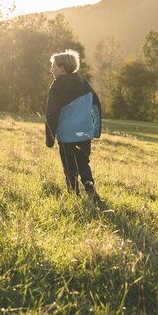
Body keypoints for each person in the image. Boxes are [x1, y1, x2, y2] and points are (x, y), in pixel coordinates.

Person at [45, 49, 102, 202]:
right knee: (83, 163)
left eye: (54, 66)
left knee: (70, 169)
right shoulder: (84, 84)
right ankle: (91, 190)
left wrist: (49, 138)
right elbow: (96, 107)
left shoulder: (56, 86)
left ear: (62, 68)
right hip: (85, 134)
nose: (52, 69)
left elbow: (51, 113)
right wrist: (95, 131)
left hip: (66, 135)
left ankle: (73, 197)